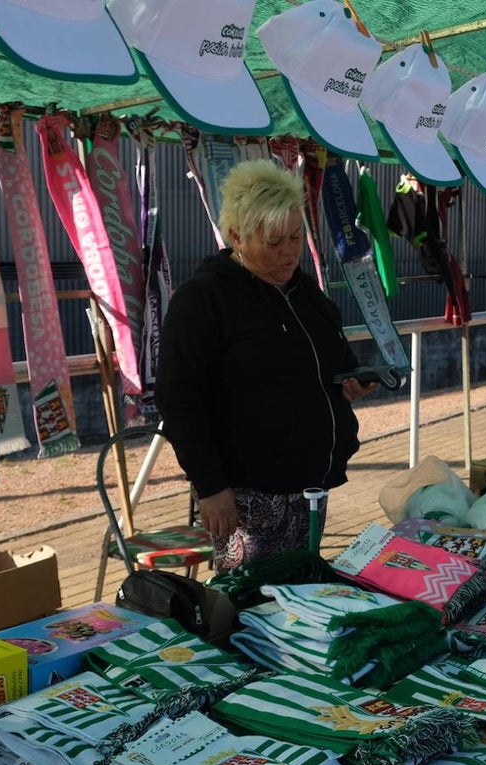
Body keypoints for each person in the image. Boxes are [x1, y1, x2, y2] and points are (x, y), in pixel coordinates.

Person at [155, 159, 376, 573]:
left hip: (309, 483)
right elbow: (177, 397)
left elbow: (333, 353)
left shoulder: (301, 289)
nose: (290, 251)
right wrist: (211, 486)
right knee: (249, 605)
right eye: (274, 241)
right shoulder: (204, 299)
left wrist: (351, 378)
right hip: (246, 492)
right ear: (236, 236)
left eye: (295, 237)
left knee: (302, 595)